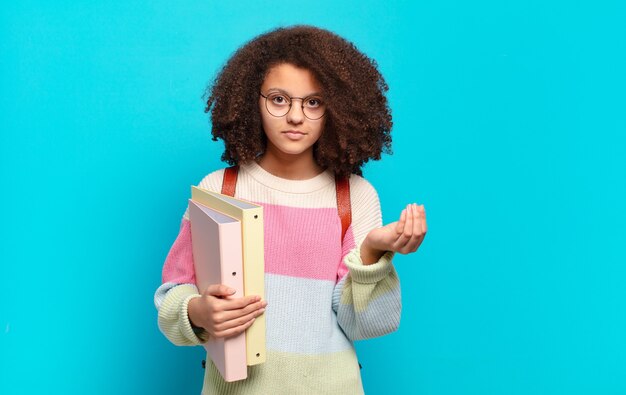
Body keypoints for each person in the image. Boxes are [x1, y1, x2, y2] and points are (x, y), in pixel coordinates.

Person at [154, 25, 427, 394]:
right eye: (279, 99)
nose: (296, 116)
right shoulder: (219, 189)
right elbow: (174, 293)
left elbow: (366, 325)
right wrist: (198, 312)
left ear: (337, 109)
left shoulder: (355, 196)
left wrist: (372, 253)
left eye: (313, 102)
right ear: (253, 100)